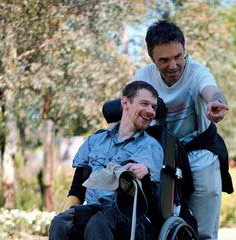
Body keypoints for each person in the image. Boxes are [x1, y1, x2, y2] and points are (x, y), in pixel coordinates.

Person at [133, 20, 233, 240]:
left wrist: (217, 103)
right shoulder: (143, 78)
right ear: (152, 59)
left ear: (185, 50)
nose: (174, 65)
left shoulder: (197, 72)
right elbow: (130, 112)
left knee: (204, 232)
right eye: (164, 60)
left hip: (199, 153)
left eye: (178, 56)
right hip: (162, 156)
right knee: (155, 224)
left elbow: (212, 91)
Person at [49, 81, 164, 240]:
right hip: (94, 209)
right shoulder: (94, 142)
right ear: (125, 102)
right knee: (61, 222)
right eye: (144, 103)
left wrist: (145, 173)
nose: (151, 111)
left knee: (97, 223)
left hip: (130, 215)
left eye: (154, 107)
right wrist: (66, 213)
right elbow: (77, 190)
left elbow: (148, 195)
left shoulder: (150, 146)